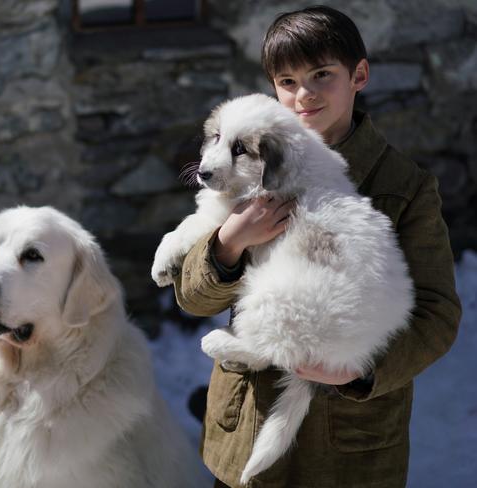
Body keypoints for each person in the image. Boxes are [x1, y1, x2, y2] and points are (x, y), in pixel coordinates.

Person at [172, 6, 462, 488]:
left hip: (349, 449)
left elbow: (437, 314)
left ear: (359, 75)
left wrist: (356, 371)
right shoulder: (245, 170)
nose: (303, 94)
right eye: (286, 82)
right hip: (246, 424)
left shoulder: (403, 187)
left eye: (321, 75)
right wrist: (229, 241)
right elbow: (192, 298)